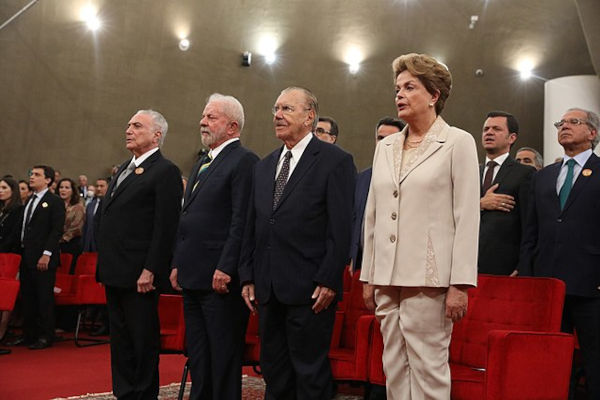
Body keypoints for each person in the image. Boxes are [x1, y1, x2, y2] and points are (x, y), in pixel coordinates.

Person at [360, 53, 480, 400]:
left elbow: (467, 216)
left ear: (433, 95)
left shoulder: (458, 142)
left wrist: (460, 283)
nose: (399, 94)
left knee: (428, 369)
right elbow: (373, 214)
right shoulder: (385, 147)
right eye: (397, 87)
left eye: (410, 87)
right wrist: (368, 275)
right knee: (393, 368)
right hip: (386, 276)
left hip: (430, 278)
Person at [240, 87, 356, 399]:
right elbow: (253, 226)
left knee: (309, 372)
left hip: (311, 288)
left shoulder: (335, 161)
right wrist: (248, 275)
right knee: (274, 370)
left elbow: (341, 227)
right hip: (267, 287)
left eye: (287, 109)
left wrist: (330, 279)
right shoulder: (264, 166)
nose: (277, 115)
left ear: (309, 116)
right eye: (276, 109)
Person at [170, 94, 258, 400]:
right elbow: (189, 217)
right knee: (199, 353)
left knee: (222, 356)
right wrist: (178, 262)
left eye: (211, 117)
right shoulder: (203, 161)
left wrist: (227, 267)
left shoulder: (244, 161)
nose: (202, 122)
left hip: (220, 279)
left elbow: (241, 220)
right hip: (194, 274)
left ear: (232, 126)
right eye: (203, 116)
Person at [96, 110, 182, 399]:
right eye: (128, 124)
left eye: (137, 125)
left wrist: (151, 269)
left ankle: (143, 393)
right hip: (115, 270)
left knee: (141, 340)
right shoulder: (123, 167)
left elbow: (165, 227)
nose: (128, 129)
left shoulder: (165, 170)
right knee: (120, 340)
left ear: (157, 134)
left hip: (140, 274)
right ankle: (124, 392)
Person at [519, 108, 600, 399]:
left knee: (594, 361)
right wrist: (527, 276)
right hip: (547, 284)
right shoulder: (544, 177)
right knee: (550, 359)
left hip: (591, 286)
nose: (564, 126)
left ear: (592, 133)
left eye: (573, 122)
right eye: (561, 123)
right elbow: (531, 230)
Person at [7, 165, 65, 350]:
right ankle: (29, 334)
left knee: (43, 297)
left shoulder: (54, 201)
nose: (32, 177)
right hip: (26, 255)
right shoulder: (29, 200)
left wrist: (46, 254)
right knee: (28, 297)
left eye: (37, 175)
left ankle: (46, 335)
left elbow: (56, 230)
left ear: (47, 180)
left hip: (43, 257)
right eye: (31, 174)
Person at [478, 111, 535, 275]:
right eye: (486, 129)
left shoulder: (525, 173)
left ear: (512, 138)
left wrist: (523, 264)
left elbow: (529, 224)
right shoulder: (470, 171)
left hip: (505, 265)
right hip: (468, 264)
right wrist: (481, 204)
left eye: (496, 129)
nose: (489, 132)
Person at [349, 117, 405, 273]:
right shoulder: (362, 178)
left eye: (390, 139)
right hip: (361, 264)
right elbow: (355, 219)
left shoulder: (411, 179)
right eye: (380, 138)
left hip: (395, 266)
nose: (383, 143)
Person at [57, 178, 85, 273]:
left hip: (71, 244)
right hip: (55, 244)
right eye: (61, 187)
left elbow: (76, 227)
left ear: (72, 191)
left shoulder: (78, 207)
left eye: (67, 187)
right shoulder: (55, 205)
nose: (63, 190)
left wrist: (61, 239)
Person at [82, 178, 108, 252]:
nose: (99, 188)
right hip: (89, 243)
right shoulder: (90, 205)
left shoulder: (112, 205)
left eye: (102, 186)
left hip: (104, 245)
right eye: (97, 186)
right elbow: (86, 225)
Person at [0, 177, 25, 253]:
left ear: (13, 190)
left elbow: (14, 235)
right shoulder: (2, 209)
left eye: (4, 188)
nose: (0, 190)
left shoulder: (20, 210)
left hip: (9, 253)